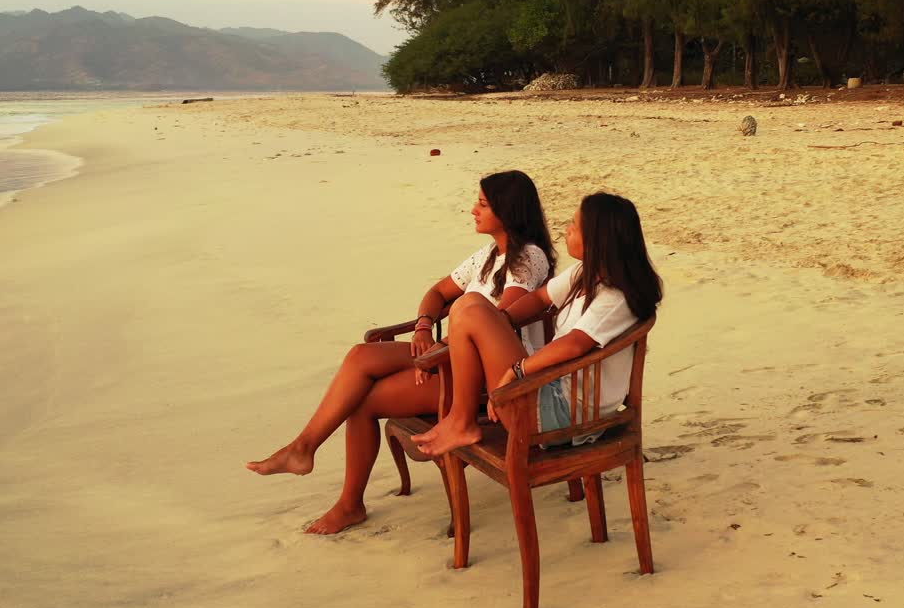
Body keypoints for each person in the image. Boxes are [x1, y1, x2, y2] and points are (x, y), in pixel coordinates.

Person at [246, 170, 556, 534]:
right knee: (362, 356)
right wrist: (424, 326)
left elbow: (500, 322)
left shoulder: (527, 259)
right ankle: (303, 448)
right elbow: (438, 294)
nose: (473, 210)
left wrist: (435, 356)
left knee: (362, 402)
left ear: (508, 211)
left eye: (483, 204)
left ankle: (347, 503)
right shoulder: (489, 255)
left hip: (486, 379)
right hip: (449, 357)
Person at [413, 192, 662, 457]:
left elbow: (575, 344)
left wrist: (518, 370)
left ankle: (461, 421)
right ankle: (461, 418)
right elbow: (540, 297)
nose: (567, 230)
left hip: (563, 414)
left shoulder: (615, 296)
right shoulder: (586, 272)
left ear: (597, 240)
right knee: (470, 305)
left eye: (574, 225)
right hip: (549, 392)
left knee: (470, 308)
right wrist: (500, 322)